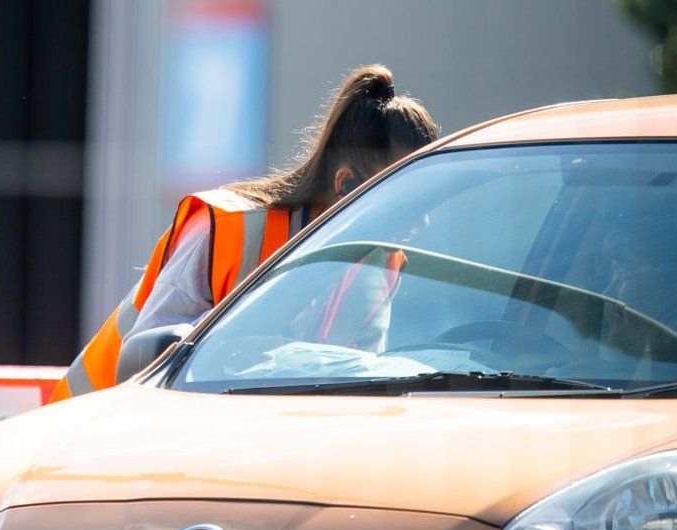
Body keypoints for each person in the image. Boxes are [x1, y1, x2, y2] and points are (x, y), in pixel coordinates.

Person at [50, 64, 439, 402]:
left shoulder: (380, 262)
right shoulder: (228, 229)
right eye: (404, 204)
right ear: (345, 184)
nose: (420, 224)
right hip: (84, 441)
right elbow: (150, 362)